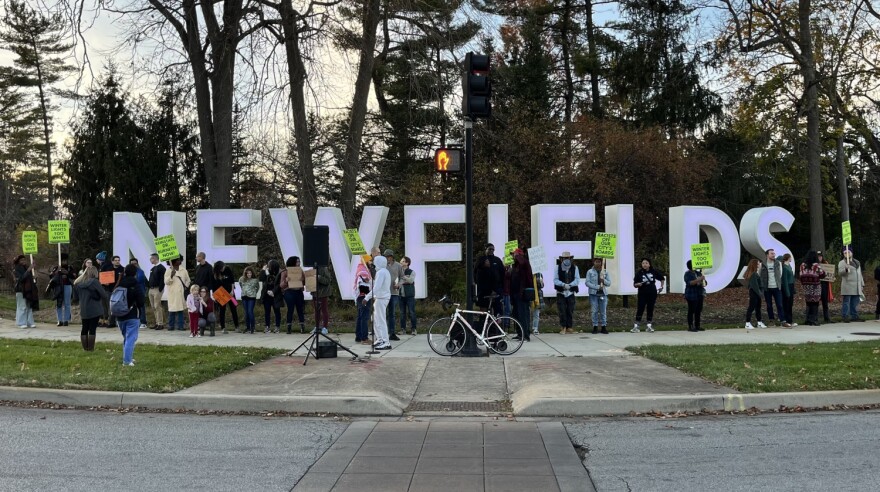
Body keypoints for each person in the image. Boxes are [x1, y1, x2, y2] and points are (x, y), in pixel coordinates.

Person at [116, 264, 145, 366]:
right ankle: (127, 361)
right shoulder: (135, 284)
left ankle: (127, 357)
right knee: (131, 338)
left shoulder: (119, 283)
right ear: (135, 273)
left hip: (119, 315)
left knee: (126, 338)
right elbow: (141, 302)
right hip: (132, 315)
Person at [72, 266, 107, 351]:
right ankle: (91, 348)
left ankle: (85, 348)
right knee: (92, 329)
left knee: (84, 328)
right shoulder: (94, 282)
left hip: (84, 308)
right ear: (95, 273)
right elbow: (104, 295)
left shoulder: (77, 283)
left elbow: (75, 298)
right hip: (95, 308)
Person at [364, 255, 391, 350]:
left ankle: (386, 341)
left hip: (381, 298)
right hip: (380, 297)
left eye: (375, 262)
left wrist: (366, 298)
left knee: (381, 320)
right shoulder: (384, 271)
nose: (373, 264)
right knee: (375, 319)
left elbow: (376, 288)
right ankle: (380, 339)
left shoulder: (381, 273)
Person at [632, 258, 665, 333]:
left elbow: (662, 278)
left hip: (652, 292)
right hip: (642, 292)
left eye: (646, 263)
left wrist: (661, 287)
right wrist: (638, 284)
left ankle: (649, 325)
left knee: (650, 308)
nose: (644, 264)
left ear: (649, 264)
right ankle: (636, 325)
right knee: (640, 308)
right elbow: (634, 284)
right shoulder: (639, 273)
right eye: (643, 263)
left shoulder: (653, 271)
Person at [509, 249, 533, 342]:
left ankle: (525, 335)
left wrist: (517, 255)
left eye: (514, 255)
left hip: (522, 294)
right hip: (515, 294)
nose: (513, 257)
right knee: (516, 315)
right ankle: (519, 333)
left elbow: (522, 262)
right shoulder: (515, 266)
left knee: (523, 315)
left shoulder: (524, 263)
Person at [474, 244, 505, 315]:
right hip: (483, 290)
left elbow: (502, 274)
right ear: (485, 249)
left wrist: (501, 287)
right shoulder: (481, 259)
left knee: (497, 310)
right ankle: (484, 324)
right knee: (484, 311)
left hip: (496, 289)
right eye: (489, 249)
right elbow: (475, 272)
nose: (491, 251)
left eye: (492, 249)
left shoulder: (497, 260)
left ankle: (496, 325)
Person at [553, 251, 580, 334]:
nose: (566, 260)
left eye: (568, 258)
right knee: (562, 310)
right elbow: (555, 280)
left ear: (570, 259)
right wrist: (563, 284)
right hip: (561, 292)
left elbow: (577, 279)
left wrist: (570, 285)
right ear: (562, 259)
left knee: (570, 310)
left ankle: (569, 327)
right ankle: (563, 327)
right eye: (565, 258)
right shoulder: (557, 268)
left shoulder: (575, 268)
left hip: (571, 292)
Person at [760, 249, 788, 327]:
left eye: (774, 253)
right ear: (767, 255)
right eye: (771, 253)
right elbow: (760, 275)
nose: (773, 255)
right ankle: (771, 320)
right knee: (769, 305)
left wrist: (778, 283)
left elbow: (780, 274)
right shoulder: (762, 264)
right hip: (767, 288)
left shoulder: (778, 263)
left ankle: (783, 321)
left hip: (776, 287)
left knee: (779, 304)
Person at [838, 247, 866, 322]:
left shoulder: (857, 262)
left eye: (848, 252)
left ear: (852, 253)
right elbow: (840, 273)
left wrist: (862, 284)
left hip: (856, 286)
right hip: (847, 285)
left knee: (855, 302)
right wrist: (846, 270)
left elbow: (860, 274)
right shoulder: (842, 262)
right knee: (846, 302)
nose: (847, 254)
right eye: (845, 253)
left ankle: (854, 316)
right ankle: (845, 316)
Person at [212, 261, 239, 334]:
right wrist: (215, 296)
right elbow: (214, 287)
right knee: (222, 310)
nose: (223, 269)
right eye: (221, 268)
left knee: (234, 308)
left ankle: (237, 326)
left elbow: (232, 281)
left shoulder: (227, 269)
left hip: (231, 293)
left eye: (223, 267)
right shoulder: (215, 274)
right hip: (221, 293)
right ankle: (223, 327)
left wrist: (232, 291)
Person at [164, 256, 191, 331]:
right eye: (178, 260)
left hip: (181, 293)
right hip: (172, 293)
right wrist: (171, 275)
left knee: (180, 310)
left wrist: (186, 286)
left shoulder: (183, 270)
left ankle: (181, 326)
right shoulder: (168, 270)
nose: (180, 261)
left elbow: (188, 280)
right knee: (172, 310)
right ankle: (171, 326)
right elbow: (166, 282)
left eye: (180, 260)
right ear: (174, 261)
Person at [586, 258, 612, 334]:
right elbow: (587, 283)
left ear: (601, 262)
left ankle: (604, 326)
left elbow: (609, 283)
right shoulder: (590, 272)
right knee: (594, 311)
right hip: (593, 294)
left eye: (599, 262)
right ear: (593, 262)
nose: (598, 263)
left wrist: (604, 281)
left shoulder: (605, 272)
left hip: (603, 294)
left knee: (603, 311)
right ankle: (595, 326)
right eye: (596, 262)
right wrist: (597, 287)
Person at [800, 251, 826, 326]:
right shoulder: (816, 266)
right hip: (815, 286)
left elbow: (801, 275)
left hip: (806, 286)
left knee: (808, 303)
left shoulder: (802, 265)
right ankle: (813, 320)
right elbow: (822, 274)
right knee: (815, 303)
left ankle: (807, 319)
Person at [282, 256, 306, 334]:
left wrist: (303, 279)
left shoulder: (300, 271)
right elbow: (281, 285)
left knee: (300, 309)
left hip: (298, 291)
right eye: (297, 262)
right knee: (290, 309)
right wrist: (286, 280)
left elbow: (305, 282)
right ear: (292, 262)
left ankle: (302, 327)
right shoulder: (285, 271)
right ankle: (289, 327)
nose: (298, 263)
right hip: (289, 292)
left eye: (299, 262)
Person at [12, 255, 37, 329]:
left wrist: (33, 278)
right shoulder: (16, 269)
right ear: (18, 261)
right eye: (21, 260)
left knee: (29, 306)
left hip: (28, 290)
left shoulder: (26, 268)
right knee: (22, 306)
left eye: (24, 260)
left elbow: (28, 279)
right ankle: (21, 322)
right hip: (20, 290)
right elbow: (21, 279)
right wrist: (29, 270)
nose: (23, 261)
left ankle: (30, 322)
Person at [383, 250, 403, 340]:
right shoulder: (382, 265)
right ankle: (382, 332)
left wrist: (399, 284)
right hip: (384, 292)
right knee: (382, 313)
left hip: (394, 293)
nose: (387, 258)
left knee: (392, 313)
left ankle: (392, 332)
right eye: (386, 257)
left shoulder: (398, 265)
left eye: (388, 257)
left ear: (392, 257)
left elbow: (402, 277)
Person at [48, 254, 73, 327]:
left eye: (65, 260)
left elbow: (74, 276)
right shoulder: (56, 268)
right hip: (58, 287)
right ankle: (59, 320)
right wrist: (56, 272)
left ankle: (66, 320)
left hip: (67, 286)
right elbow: (51, 277)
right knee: (59, 303)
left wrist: (67, 273)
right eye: (62, 260)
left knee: (67, 303)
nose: (64, 262)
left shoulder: (69, 267)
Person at [743, 259, 767, 330]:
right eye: (758, 264)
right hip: (754, 293)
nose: (759, 265)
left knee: (758, 308)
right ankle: (747, 323)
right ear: (755, 265)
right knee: (751, 307)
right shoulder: (753, 274)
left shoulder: (755, 273)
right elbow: (755, 286)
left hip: (756, 293)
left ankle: (759, 322)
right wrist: (760, 294)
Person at [260, 259, 282, 333]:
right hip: (266, 295)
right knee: (267, 311)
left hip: (275, 295)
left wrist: (273, 291)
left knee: (277, 311)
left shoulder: (279, 273)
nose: (268, 266)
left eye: (269, 265)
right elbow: (262, 279)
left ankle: (277, 327)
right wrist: (263, 270)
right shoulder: (266, 272)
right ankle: (267, 326)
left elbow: (279, 284)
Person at [684, 260, 706, 332]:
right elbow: (690, 283)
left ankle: (697, 325)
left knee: (698, 310)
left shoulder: (698, 273)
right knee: (691, 310)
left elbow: (704, 283)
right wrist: (698, 279)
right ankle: (690, 326)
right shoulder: (687, 274)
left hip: (699, 293)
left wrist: (703, 281)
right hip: (691, 294)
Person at [354, 260, 372, 344]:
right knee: (364, 317)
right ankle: (364, 338)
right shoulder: (363, 270)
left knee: (360, 317)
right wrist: (368, 295)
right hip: (364, 297)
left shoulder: (360, 268)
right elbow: (362, 285)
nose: (371, 262)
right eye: (370, 260)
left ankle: (359, 336)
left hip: (360, 297)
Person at [147, 253, 166, 330]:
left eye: (151, 259)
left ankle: (160, 323)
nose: (150, 260)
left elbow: (162, 279)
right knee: (153, 306)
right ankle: (157, 322)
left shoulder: (161, 268)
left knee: (157, 306)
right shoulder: (153, 268)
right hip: (151, 289)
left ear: (155, 259)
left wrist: (160, 288)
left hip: (157, 289)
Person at [313, 264, 334, 334]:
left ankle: (325, 327)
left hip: (323, 293)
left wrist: (319, 278)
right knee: (316, 310)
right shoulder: (313, 268)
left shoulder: (324, 269)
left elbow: (328, 281)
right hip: (315, 292)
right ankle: (317, 327)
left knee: (324, 310)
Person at [239, 267, 260, 334]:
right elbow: (241, 285)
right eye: (247, 273)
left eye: (250, 273)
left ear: (252, 273)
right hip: (244, 297)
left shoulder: (255, 280)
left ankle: (252, 327)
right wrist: (244, 291)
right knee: (246, 312)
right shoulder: (242, 279)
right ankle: (248, 327)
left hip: (252, 297)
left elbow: (258, 287)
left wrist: (253, 292)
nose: (249, 274)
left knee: (250, 311)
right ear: (245, 273)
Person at [399, 256, 417, 335]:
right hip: (401, 296)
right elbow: (398, 282)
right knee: (402, 313)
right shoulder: (399, 271)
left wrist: (403, 277)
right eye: (401, 261)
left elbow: (410, 280)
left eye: (403, 261)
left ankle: (414, 329)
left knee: (411, 312)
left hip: (410, 296)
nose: (401, 262)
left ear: (407, 263)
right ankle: (403, 329)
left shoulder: (412, 272)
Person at [106, 256, 125, 328]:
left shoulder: (123, 269)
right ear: (112, 261)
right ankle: (111, 322)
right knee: (110, 307)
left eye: (118, 260)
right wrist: (105, 283)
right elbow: (104, 280)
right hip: (110, 290)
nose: (117, 261)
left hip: (119, 290)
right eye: (116, 260)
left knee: (119, 306)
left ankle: (119, 321)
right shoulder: (109, 269)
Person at [130, 258, 149, 327]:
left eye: (135, 263)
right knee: (133, 307)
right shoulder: (129, 272)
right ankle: (135, 321)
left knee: (141, 307)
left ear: (137, 264)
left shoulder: (140, 271)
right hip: (132, 292)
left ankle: (143, 321)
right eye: (132, 264)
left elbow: (138, 280)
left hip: (140, 292)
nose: (134, 265)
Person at [780, 253, 797, 327]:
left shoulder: (789, 266)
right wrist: (787, 291)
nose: (791, 259)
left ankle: (790, 320)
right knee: (786, 304)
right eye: (790, 257)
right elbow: (785, 280)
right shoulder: (784, 267)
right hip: (787, 286)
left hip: (791, 285)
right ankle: (787, 320)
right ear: (788, 258)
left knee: (790, 304)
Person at [816, 251, 833, 322]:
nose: (819, 258)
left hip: (824, 284)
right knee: (816, 302)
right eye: (818, 256)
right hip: (817, 284)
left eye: (820, 256)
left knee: (825, 302)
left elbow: (830, 273)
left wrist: (832, 277)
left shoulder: (825, 263)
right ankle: (815, 318)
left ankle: (827, 318)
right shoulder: (815, 265)